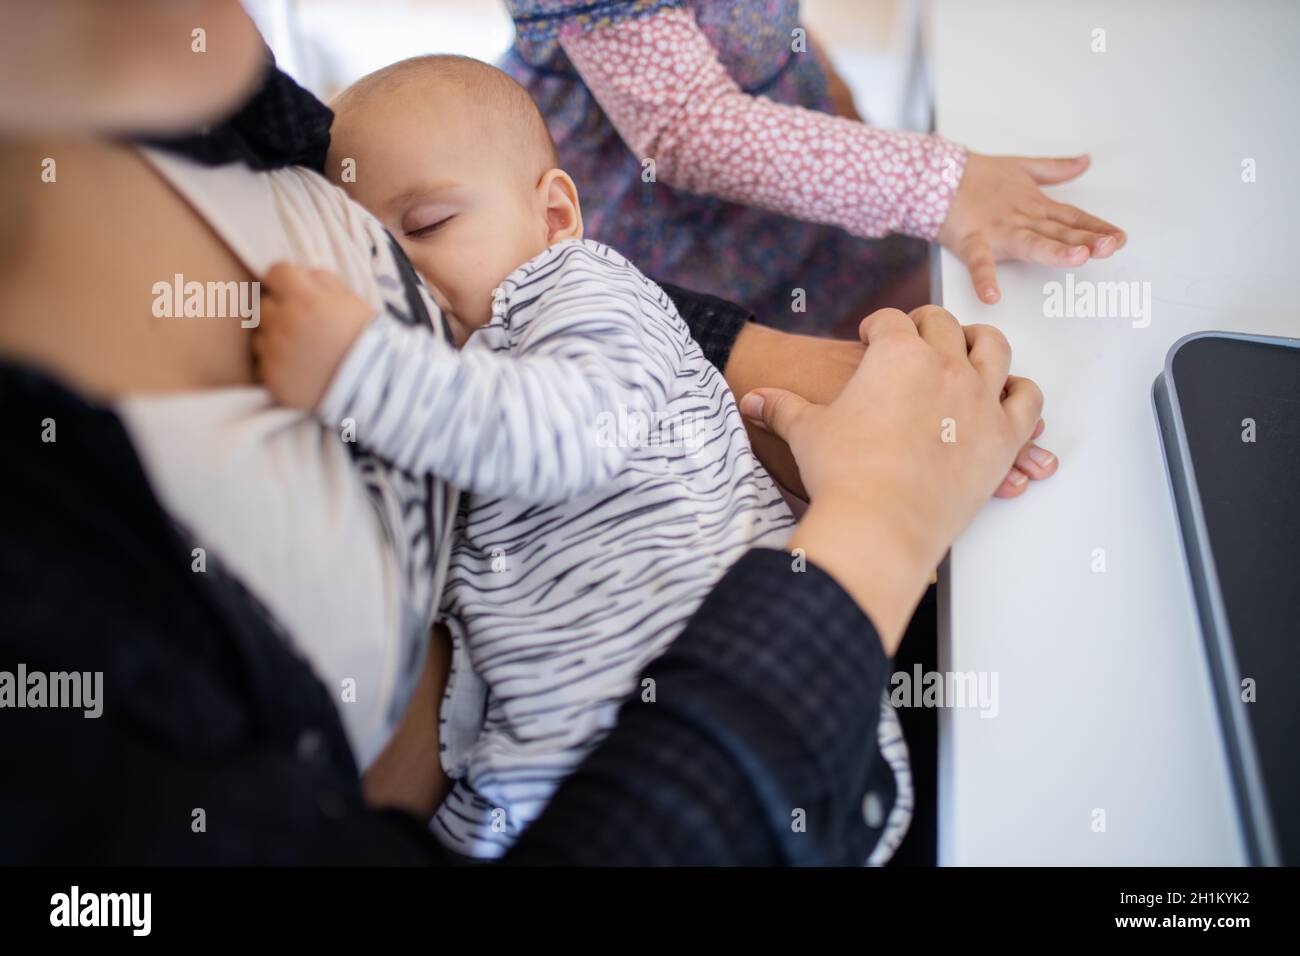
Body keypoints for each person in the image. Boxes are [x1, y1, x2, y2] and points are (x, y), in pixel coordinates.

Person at [0, 0, 1054, 865]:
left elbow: (557, 393)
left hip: (755, 677)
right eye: (387, 250)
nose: (404, 282)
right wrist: (878, 522)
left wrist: (774, 384)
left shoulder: (173, 74)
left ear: (559, 217)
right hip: (657, 754)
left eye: (421, 233)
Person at [502, 0, 1127, 334]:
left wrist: (843, 115)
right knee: (749, 390)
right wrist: (941, 185)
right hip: (654, 227)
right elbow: (686, 131)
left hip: (799, 186)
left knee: (979, 313)